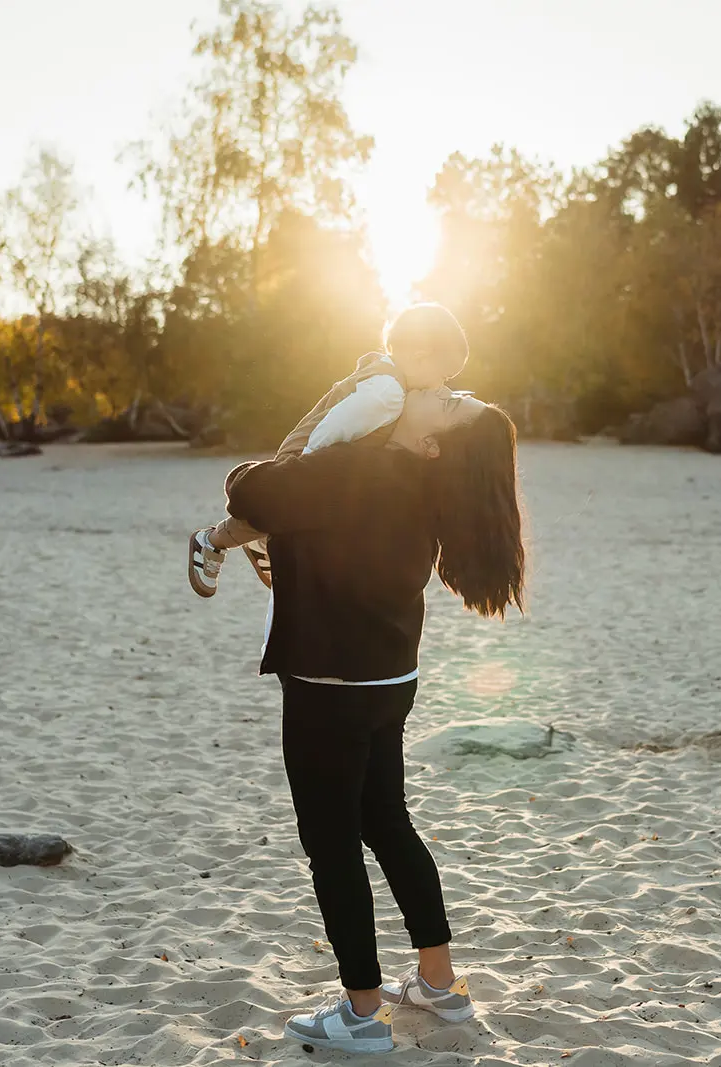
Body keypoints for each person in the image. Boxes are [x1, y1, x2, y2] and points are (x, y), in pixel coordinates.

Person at [222, 389, 526, 1053]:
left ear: (430, 443)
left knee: (331, 844)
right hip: (391, 677)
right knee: (387, 821)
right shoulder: (423, 483)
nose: (439, 390)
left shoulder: (362, 467)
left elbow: (252, 492)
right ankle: (440, 987)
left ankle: (361, 1012)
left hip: (331, 682)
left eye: (450, 405)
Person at [187, 303, 469, 598]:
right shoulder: (387, 395)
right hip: (307, 458)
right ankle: (210, 542)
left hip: (311, 456)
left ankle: (261, 541)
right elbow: (331, 429)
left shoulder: (386, 373)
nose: (442, 387)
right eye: (445, 377)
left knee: (293, 516)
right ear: (421, 357)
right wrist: (299, 473)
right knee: (288, 509)